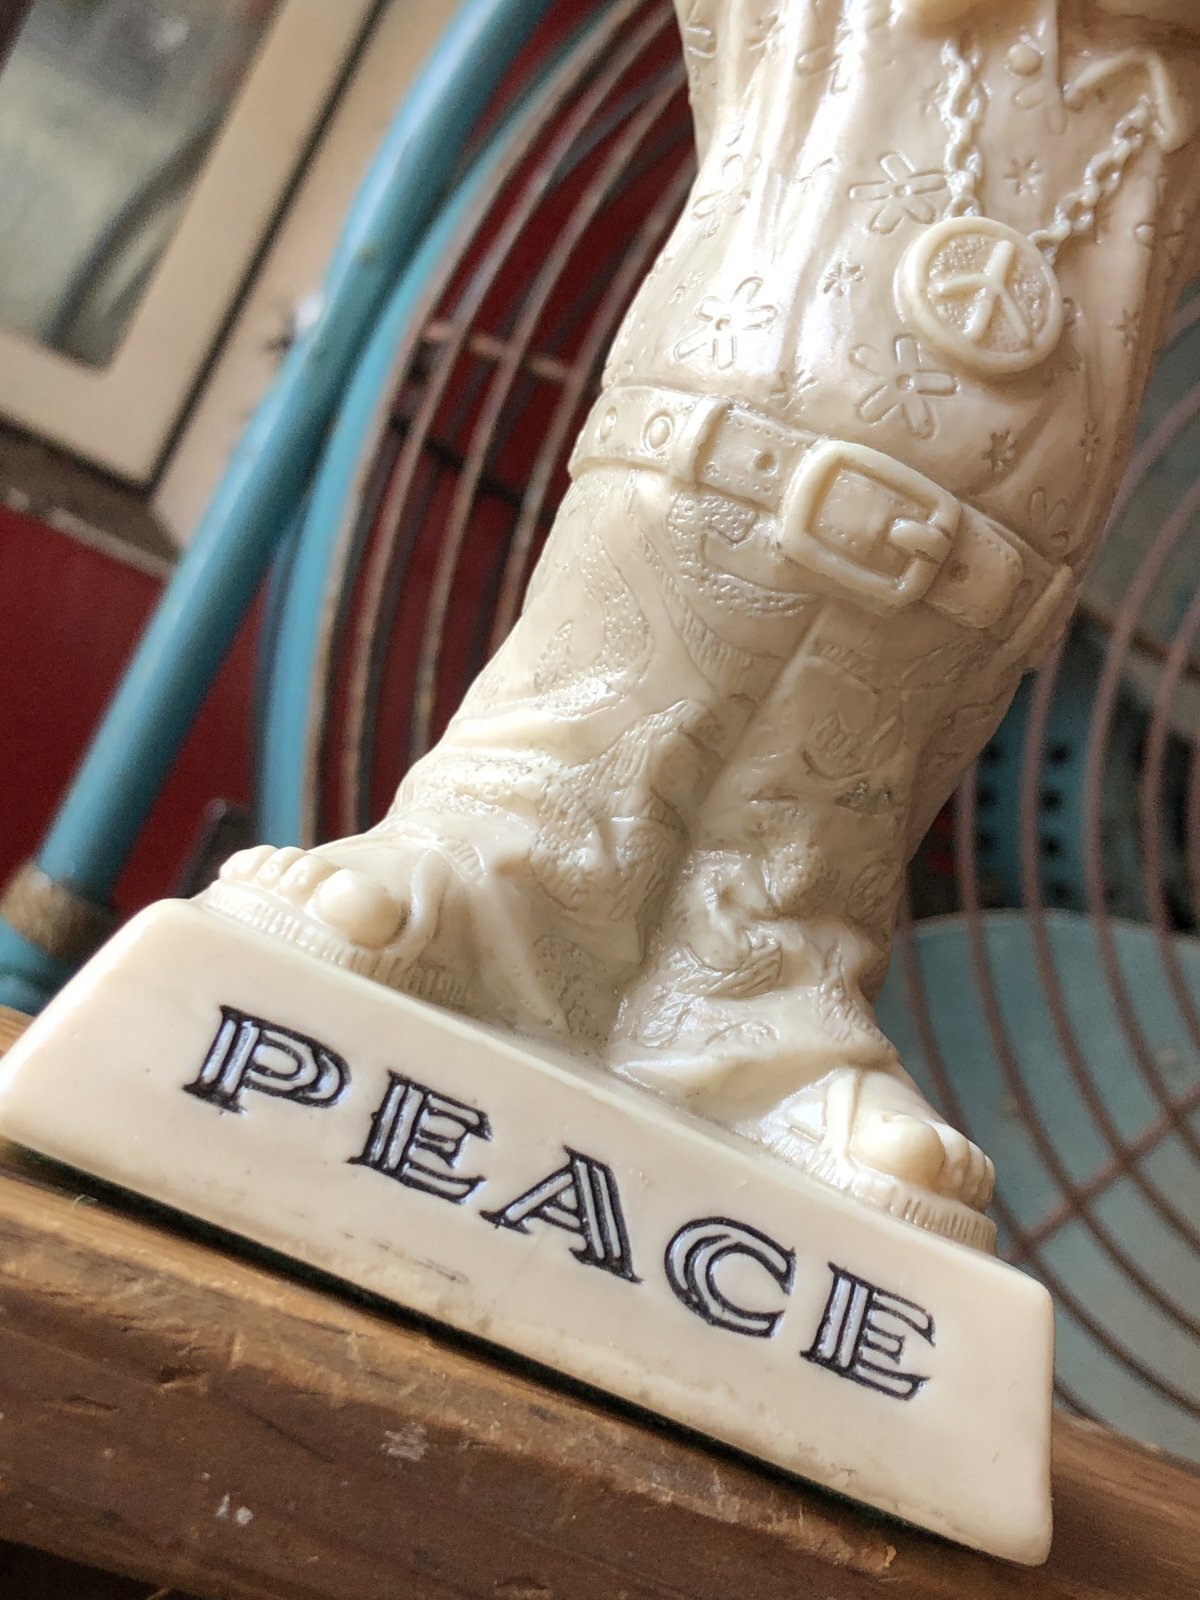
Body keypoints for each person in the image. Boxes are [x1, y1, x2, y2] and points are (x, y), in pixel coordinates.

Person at [204, 0, 1200, 1245]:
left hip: (973, 567)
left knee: (830, 804)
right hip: (708, 454)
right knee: (602, 708)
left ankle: (763, 1002)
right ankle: (486, 860)